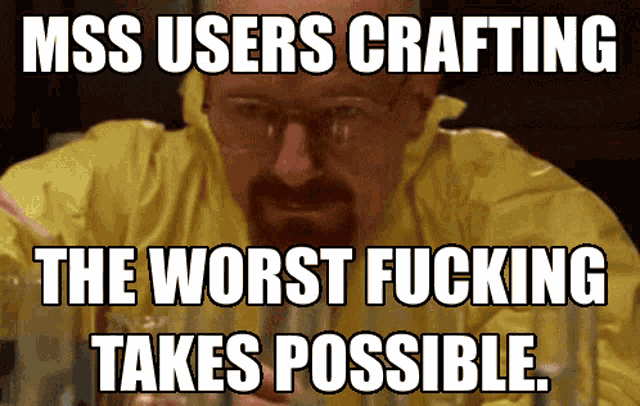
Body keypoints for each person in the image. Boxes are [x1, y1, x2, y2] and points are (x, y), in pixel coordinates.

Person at [2, 0, 639, 404]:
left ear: (416, 102)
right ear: (206, 92)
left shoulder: (522, 219)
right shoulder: (115, 190)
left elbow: (595, 383)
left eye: (344, 114)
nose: (294, 166)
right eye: (252, 111)